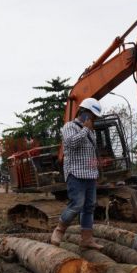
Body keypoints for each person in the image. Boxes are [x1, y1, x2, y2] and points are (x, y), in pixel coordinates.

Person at [51, 98, 103, 250]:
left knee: (89, 207)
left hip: (90, 175)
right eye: (92, 116)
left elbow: (92, 153)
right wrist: (85, 129)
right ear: (83, 112)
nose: (94, 119)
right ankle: (59, 230)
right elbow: (71, 144)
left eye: (95, 117)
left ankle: (86, 239)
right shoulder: (69, 127)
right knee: (76, 205)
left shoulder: (91, 132)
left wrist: (96, 171)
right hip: (76, 174)